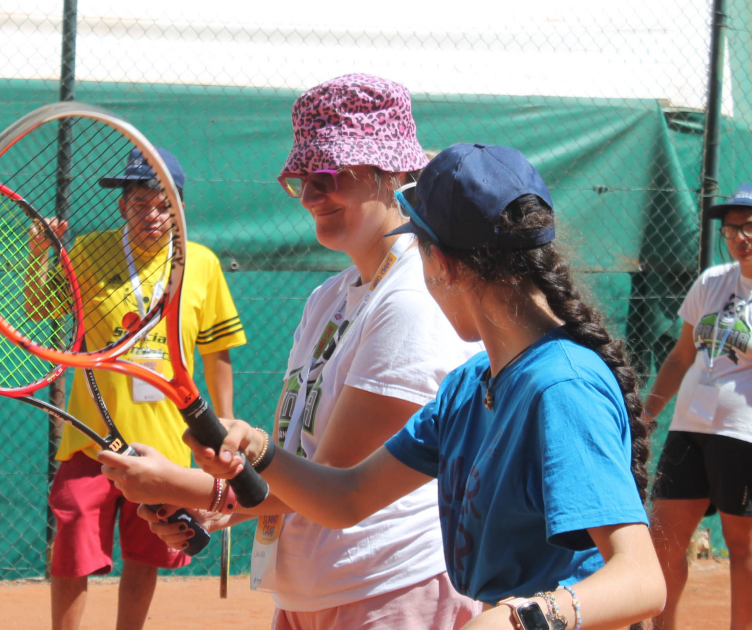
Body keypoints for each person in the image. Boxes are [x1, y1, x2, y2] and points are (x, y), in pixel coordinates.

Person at [187, 143, 667, 630]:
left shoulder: (560, 387)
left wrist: (518, 620)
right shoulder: (465, 389)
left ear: (443, 263)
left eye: (415, 247)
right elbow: (347, 497)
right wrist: (259, 448)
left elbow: (642, 580)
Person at [99, 74, 483, 629]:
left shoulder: (414, 300)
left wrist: (179, 484)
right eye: (301, 179)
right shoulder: (328, 298)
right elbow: (296, 463)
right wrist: (219, 502)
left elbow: (337, 483)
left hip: (389, 590)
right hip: (308, 590)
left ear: (391, 173)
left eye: (328, 176)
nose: (308, 196)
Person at [38, 147, 248, 630]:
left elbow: (218, 352)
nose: (150, 215)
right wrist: (41, 255)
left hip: (164, 444)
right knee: (71, 552)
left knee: (146, 553)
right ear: (122, 206)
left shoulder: (202, 264)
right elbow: (40, 310)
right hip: (91, 441)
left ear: (179, 209)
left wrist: (223, 426)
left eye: (162, 204)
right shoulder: (90, 251)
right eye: (138, 203)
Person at [644, 183, 752, 630]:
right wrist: (646, 413)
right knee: (665, 538)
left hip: (741, 433)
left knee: (741, 546)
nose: (737, 238)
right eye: (730, 230)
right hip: (689, 427)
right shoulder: (712, 281)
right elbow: (680, 358)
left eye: (747, 228)